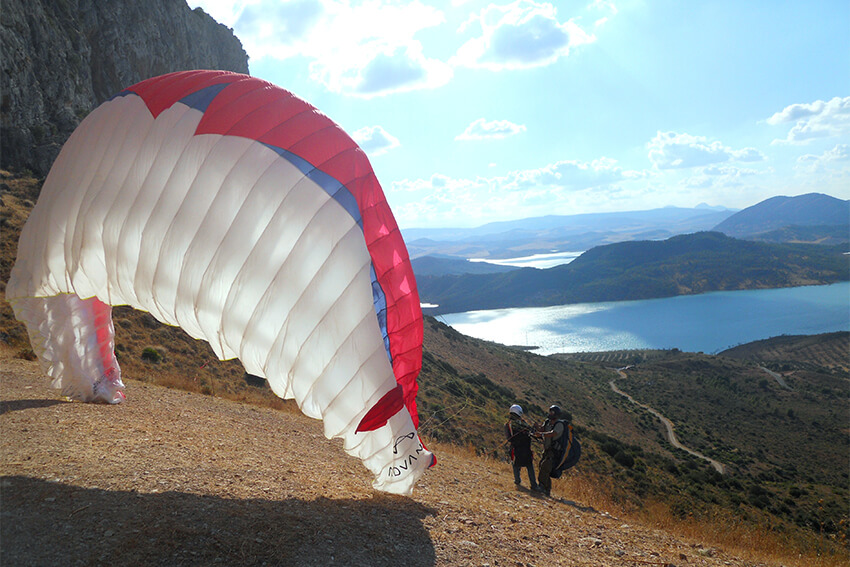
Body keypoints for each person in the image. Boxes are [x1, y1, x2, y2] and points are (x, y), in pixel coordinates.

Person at [533, 404, 566, 497]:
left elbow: (553, 433)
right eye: (550, 412)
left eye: (552, 412)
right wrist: (537, 427)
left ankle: (542, 488)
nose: (550, 414)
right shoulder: (547, 422)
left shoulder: (559, 424)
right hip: (546, 450)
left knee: (545, 468)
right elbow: (542, 429)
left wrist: (541, 434)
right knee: (542, 467)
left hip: (554, 452)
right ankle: (546, 490)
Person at [504, 404, 538, 491]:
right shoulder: (521, 423)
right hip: (524, 448)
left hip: (517, 448)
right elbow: (531, 431)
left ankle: (517, 481)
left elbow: (509, 438)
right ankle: (533, 485)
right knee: (529, 466)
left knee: (516, 464)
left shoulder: (509, 424)